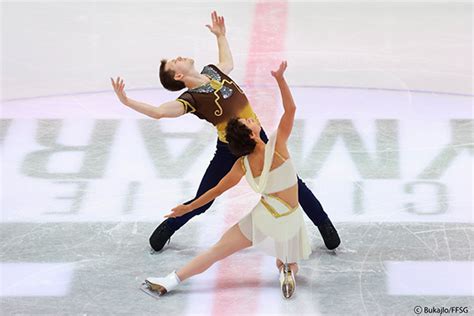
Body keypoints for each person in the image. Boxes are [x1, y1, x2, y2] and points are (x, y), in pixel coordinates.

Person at [110, 11, 340, 252]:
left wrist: (220, 36)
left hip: (257, 138)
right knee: (205, 198)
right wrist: (127, 102)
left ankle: (324, 224)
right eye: (174, 61)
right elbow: (159, 112)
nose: (178, 57)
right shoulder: (191, 98)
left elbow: (228, 63)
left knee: (292, 183)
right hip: (228, 149)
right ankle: (170, 226)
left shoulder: (212, 71)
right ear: (178, 75)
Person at [145, 61, 310, 299]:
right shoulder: (278, 148)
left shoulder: (241, 165)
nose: (252, 119)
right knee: (286, 260)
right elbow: (291, 109)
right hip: (290, 219)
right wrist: (280, 79)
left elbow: (216, 191)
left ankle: (170, 281)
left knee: (216, 251)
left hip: (262, 217)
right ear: (253, 134)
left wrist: (188, 207)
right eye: (249, 122)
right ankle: (286, 269)